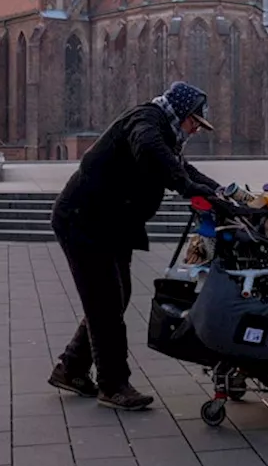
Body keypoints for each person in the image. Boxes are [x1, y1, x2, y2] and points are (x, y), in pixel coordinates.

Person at [49, 81, 220, 410]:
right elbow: (154, 153)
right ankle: (113, 386)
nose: (196, 129)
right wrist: (187, 188)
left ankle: (71, 368)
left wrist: (220, 192)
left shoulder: (166, 132)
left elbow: (180, 166)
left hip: (110, 224)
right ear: (181, 113)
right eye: (195, 122)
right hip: (83, 221)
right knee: (106, 304)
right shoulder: (146, 121)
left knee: (117, 297)